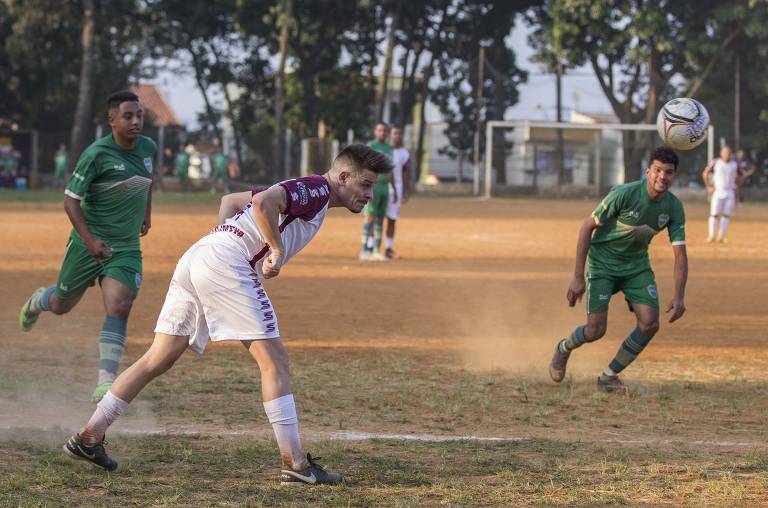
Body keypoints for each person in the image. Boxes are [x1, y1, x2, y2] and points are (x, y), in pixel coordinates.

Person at [61, 144, 393, 485]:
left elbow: (231, 202)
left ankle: (89, 437)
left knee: (158, 357)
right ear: (342, 177)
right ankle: (296, 466)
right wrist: (272, 249)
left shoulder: (312, 191)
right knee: (274, 360)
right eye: (365, 184)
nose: (369, 194)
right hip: (222, 261)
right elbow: (263, 204)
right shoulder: (318, 189)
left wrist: (220, 242)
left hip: (200, 255)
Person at [19, 91, 156, 402]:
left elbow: (149, 180)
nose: (136, 121)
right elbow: (71, 202)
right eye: (128, 116)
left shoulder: (149, 147)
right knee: (62, 305)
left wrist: (147, 214)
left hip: (125, 246)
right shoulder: (96, 154)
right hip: (87, 244)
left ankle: (106, 382)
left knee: (120, 305)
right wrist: (91, 241)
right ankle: (39, 300)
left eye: (140, 116)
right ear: (111, 121)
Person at [548, 146, 688, 392]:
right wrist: (578, 277)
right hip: (603, 265)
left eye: (668, 172)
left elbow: (680, 254)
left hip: (636, 268)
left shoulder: (673, 207)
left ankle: (608, 377)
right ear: (647, 171)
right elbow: (586, 227)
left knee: (650, 323)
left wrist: (679, 296)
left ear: (674, 176)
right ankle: (563, 348)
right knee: (595, 331)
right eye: (657, 170)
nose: (662, 177)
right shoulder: (624, 194)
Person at [360, 122, 394, 261]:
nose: (382, 133)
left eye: (385, 131)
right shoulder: (371, 146)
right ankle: (363, 250)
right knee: (369, 217)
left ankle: (376, 250)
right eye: (379, 130)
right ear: (375, 132)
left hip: (385, 187)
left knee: (380, 218)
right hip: (374, 186)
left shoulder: (389, 148)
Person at [702, 145, 743, 243]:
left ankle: (721, 237)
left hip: (730, 193)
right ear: (721, 153)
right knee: (714, 214)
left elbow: (743, 175)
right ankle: (711, 236)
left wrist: (737, 185)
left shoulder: (735, 164)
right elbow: (705, 173)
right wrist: (709, 186)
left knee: (726, 215)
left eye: (728, 153)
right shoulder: (716, 162)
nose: (727, 154)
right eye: (725, 152)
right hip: (717, 192)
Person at [384, 126, 410, 259]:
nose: (397, 136)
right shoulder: (384, 150)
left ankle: (388, 248)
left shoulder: (404, 153)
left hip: (397, 189)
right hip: (382, 187)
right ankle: (371, 247)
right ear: (390, 135)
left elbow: (405, 173)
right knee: (374, 217)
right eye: (394, 133)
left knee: (392, 219)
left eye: (399, 133)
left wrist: (406, 191)